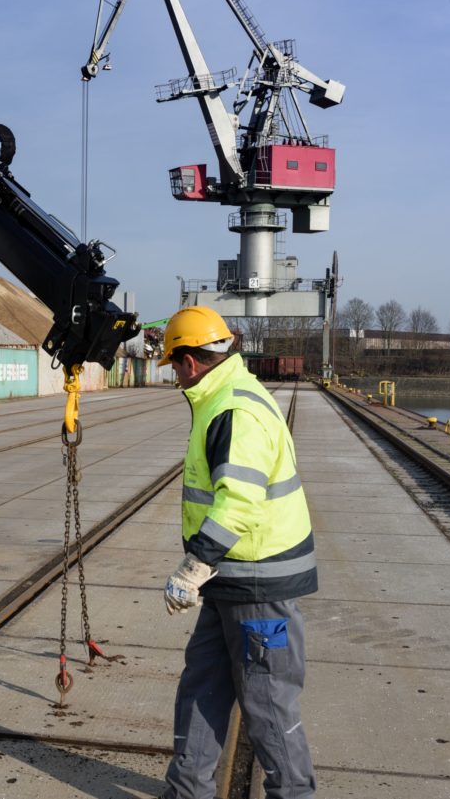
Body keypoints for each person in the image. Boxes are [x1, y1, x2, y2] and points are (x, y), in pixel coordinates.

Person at [157, 306, 318, 799]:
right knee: (202, 686)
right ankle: (187, 790)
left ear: (189, 361)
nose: (174, 378)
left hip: (255, 579)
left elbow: (239, 503)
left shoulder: (234, 409)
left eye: (173, 366)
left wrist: (192, 568)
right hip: (229, 577)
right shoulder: (222, 397)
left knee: (266, 704)